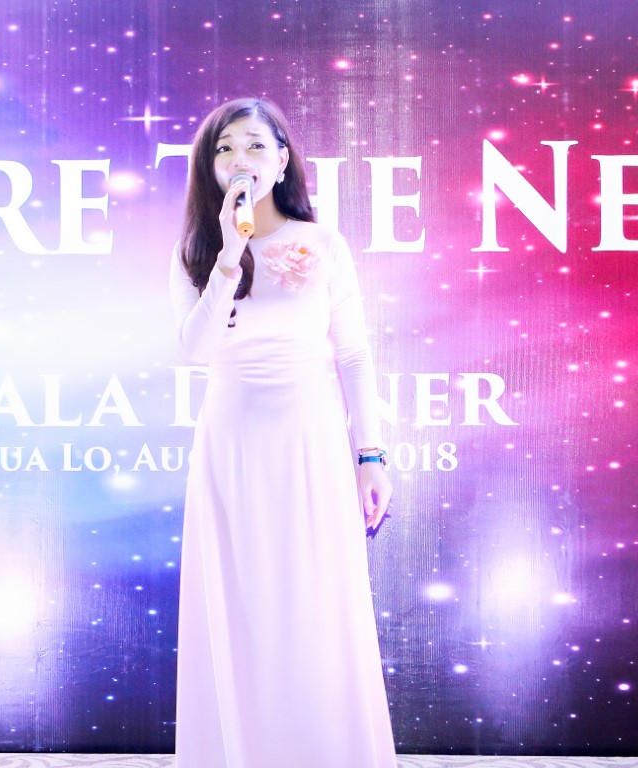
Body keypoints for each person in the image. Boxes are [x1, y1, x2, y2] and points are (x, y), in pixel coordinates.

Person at [168, 97, 397, 767]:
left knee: (314, 604)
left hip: (310, 440)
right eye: (224, 148)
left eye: (255, 145)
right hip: (231, 443)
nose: (240, 159)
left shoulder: (322, 243)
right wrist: (230, 254)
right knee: (239, 606)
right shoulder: (195, 251)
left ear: (282, 159)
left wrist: (371, 455)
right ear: (209, 167)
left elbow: (353, 354)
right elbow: (196, 351)